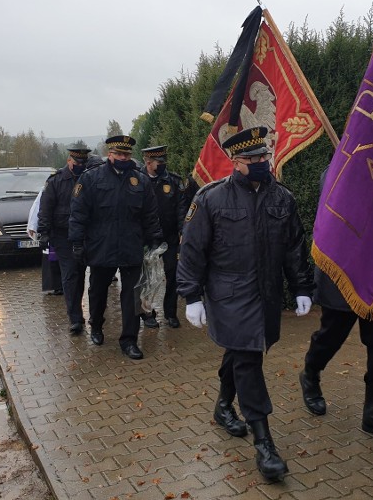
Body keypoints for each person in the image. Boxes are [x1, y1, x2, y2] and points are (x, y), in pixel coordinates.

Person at [177, 126, 313, 482]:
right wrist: (191, 295)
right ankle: (264, 444)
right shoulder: (211, 199)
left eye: (263, 157)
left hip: (265, 294)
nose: (260, 163)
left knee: (241, 353)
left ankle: (223, 407)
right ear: (234, 162)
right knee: (250, 360)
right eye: (251, 159)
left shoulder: (281, 197)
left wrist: (302, 286)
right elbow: (192, 249)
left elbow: (294, 245)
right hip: (229, 294)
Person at [299, 170, 373, 444]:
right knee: (331, 336)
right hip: (343, 267)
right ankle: (310, 373)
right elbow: (339, 203)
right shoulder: (342, 165)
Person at [69, 135, 163, 360]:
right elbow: (78, 213)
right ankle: (97, 325)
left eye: (127, 154)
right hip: (101, 246)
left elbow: (150, 214)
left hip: (131, 246)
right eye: (119, 154)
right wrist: (77, 243)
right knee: (98, 292)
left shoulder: (140, 180)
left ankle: (129, 340)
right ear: (109, 154)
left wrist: (155, 240)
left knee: (132, 295)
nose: (123, 158)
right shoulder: (91, 179)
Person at [37, 146, 95, 335]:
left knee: (80, 274)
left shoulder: (88, 178)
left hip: (85, 234)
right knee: (70, 275)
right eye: (77, 162)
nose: (80, 166)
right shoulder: (56, 181)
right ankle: (75, 319)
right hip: (63, 235)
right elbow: (45, 207)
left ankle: (82, 311)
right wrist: (43, 232)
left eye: (83, 163)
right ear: (69, 160)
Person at [139, 145, 187, 328]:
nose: (162, 165)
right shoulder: (138, 179)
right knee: (147, 277)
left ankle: (170, 313)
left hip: (170, 237)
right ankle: (147, 313)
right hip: (147, 238)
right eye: (159, 162)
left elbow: (181, 209)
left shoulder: (173, 181)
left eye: (164, 161)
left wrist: (183, 231)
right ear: (148, 162)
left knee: (172, 274)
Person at [28, 188, 62, 295]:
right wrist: (33, 226)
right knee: (53, 259)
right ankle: (57, 285)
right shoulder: (49, 188)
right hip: (53, 230)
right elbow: (39, 208)